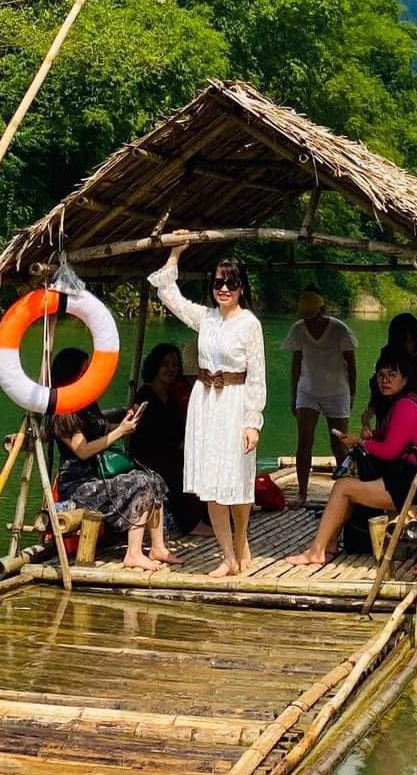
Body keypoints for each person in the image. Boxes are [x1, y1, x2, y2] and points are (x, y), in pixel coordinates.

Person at [149, 247, 266, 577]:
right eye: (218, 284)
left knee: (238, 479)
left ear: (241, 286)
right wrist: (175, 256)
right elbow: (169, 295)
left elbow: (257, 375)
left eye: (230, 283)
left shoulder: (249, 324)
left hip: (235, 402)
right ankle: (228, 556)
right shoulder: (206, 318)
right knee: (212, 482)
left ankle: (242, 542)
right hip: (206, 403)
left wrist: (252, 421)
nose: (223, 289)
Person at [282, 350, 417, 567]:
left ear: (405, 379)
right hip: (403, 477)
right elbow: (393, 438)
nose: (385, 380)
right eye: (381, 375)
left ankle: (317, 551)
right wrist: (372, 437)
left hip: (406, 483)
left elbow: (390, 451)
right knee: (348, 487)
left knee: (343, 487)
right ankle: (328, 545)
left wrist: (361, 443)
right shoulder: (406, 402)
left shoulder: (405, 406)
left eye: (392, 375)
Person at [48, 348, 171, 571]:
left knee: (152, 478)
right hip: (79, 484)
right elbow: (82, 450)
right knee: (140, 484)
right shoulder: (63, 410)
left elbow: (101, 429)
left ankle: (158, 547)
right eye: (84, 370)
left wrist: (126, 422)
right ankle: (133, 553)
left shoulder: (87, 403)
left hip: (98, 474)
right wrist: (120, 433)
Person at [283, 290, 357, 507]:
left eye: (313, 316)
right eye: (306, 317)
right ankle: (302, 493)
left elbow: (351, 365)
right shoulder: (298, 330)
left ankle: (346, 491)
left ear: (322, 311)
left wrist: (351, 394)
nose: (310, 321)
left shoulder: (339, 330)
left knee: (339, 443)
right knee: (304, 441)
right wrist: (294, 395)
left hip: (336, 392)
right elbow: (296, 364)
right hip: (308, 391)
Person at [129, 342, 204, 535]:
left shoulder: (170, 397)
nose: (170, 370)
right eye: (165, 364)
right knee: (177, 469)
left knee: (194, 463)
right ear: (155, 366)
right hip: (149, 456)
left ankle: (203, 518)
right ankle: (190, 524)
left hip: (169, 453)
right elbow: (144, 431)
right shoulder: (145, 395)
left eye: (174, 365)